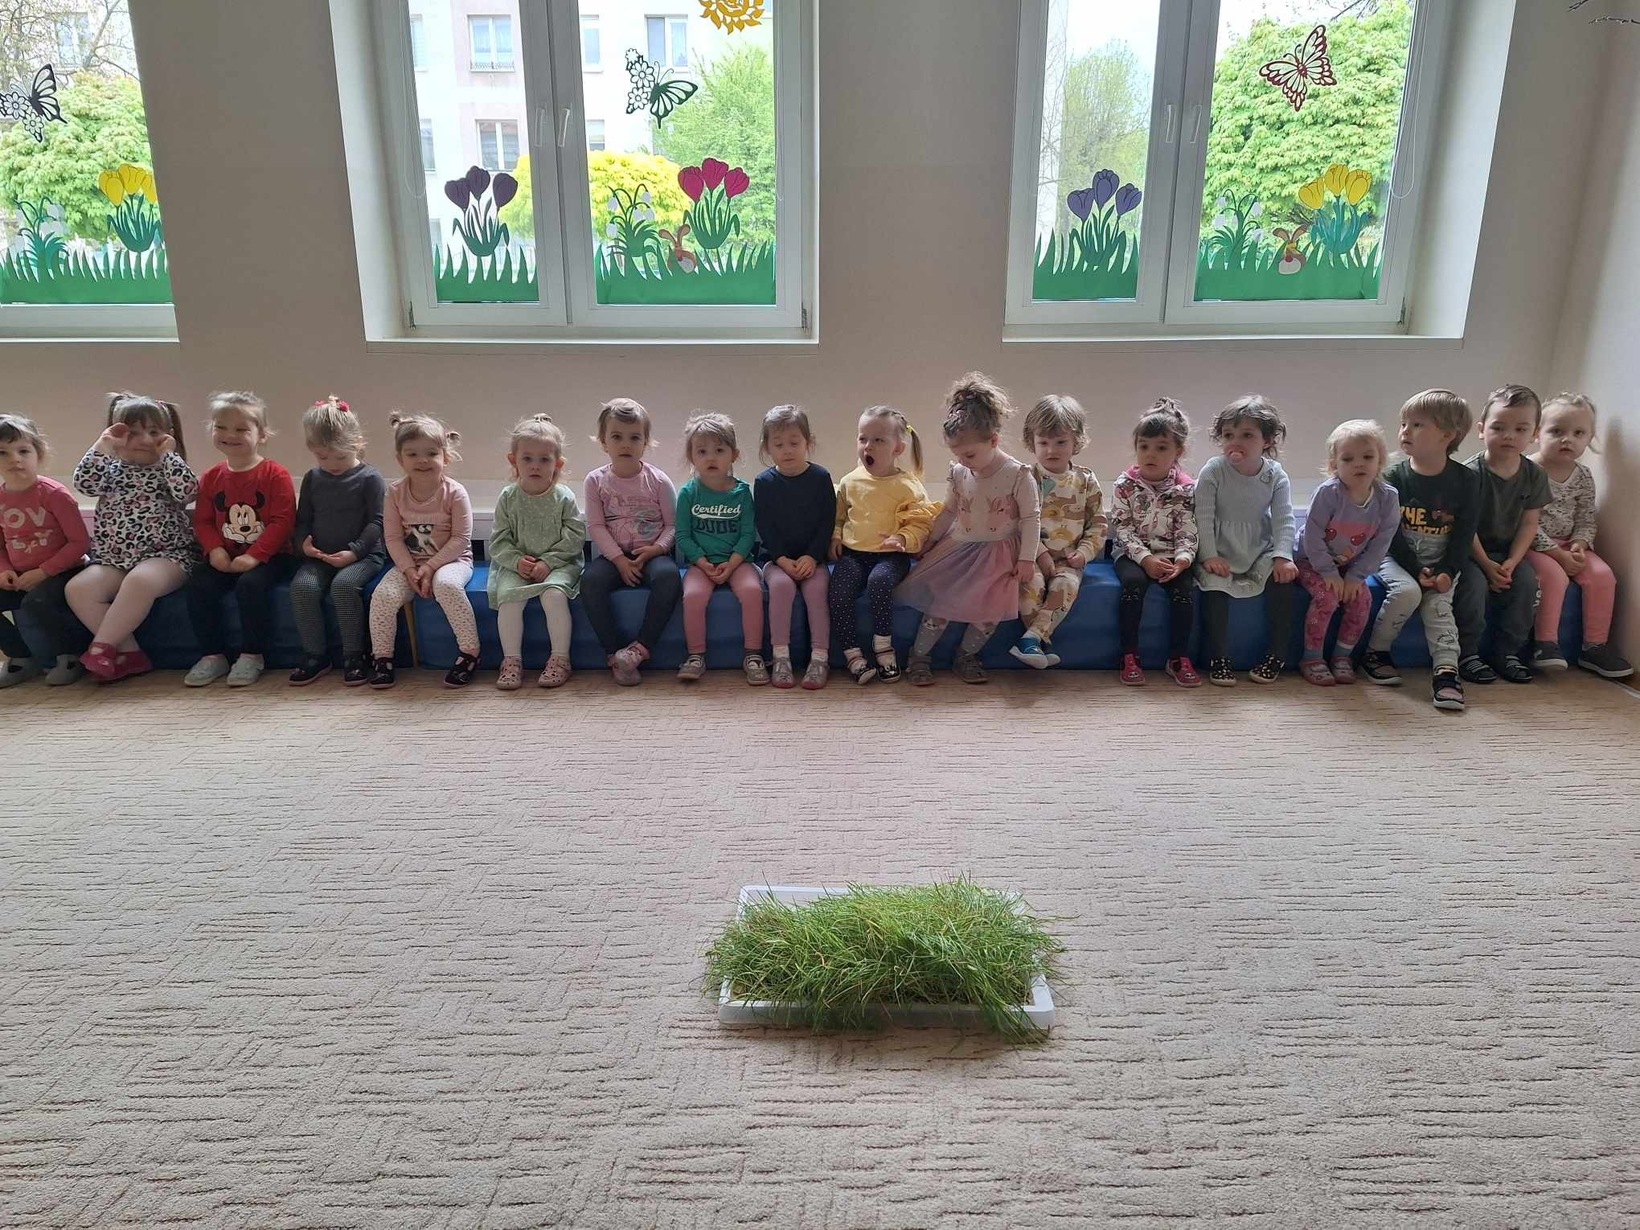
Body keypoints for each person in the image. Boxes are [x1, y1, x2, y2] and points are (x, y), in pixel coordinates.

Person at [896, 373, 1041, 686]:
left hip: (998, 555)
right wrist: (930, 540)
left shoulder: (1018, 474)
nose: (963, 461)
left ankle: (966, 656)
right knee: (939, 607)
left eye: (970, 454)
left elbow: (1031, 518)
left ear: (994, 440)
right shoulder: (960, 471)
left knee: (988, 615)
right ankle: (918, 657)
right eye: (957, 455)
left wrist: (1027, 558)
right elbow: (950, 509)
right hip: (959, 549)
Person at [66, 393, 199, 683]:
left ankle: (101, 647)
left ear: (167, 436)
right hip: (115, 560)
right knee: (78, 589)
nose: (144, 440)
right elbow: (84, 484)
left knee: (139, 581)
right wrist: (102, 446)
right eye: (133, 432)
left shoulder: (166, 469)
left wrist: (169, 455)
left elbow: (188, 492)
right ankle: (130, 653)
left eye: (153, 432)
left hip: (168, 557)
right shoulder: (110, 470)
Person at [1361, 389, 1480, 712]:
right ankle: (1376, 652)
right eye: (1404, 424)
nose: (1405, 431)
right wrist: (1416, 570)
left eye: (1417, 425)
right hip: (1395, 556)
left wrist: (1447, 571)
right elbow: (1389, 532)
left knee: (1439, 606)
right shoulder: (1393, 476)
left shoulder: (1467, 480)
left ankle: (1446, 671)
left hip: (1441, 558)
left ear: (1447, 435)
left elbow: (1464, 533)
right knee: (1407, 592)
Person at [184, 391, 297, 688]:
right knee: (198, 584)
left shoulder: (275, 474)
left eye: (241, 429)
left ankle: (251, 654)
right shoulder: (211, 477)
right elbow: (204, 521)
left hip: (272, 556)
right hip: (226, 555)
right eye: (221, 427)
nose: (229, 435)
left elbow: (282, 522)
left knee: (251, 585)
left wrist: (255, 555)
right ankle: (213, 655)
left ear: (262, 435)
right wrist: (215, 550)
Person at [367, 412, 478, 689]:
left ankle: (470, 652)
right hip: (410, 564)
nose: (422, 460)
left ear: (445, 457)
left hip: (452, 561)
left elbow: (461, 538)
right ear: (400, 459)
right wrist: (409, 569)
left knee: (446, 586)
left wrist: (430, 567)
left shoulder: (455, 493)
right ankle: (382, 658)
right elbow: (393, 538)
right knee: (383, 595)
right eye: (413, 454)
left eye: (431, 453)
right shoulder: (395, 493)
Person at [1525, 393, 1631, 679]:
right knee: (1554, 576)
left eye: (1578, 433)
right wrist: (1556, 554)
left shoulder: (1583, 475)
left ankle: (1595, 647)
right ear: (1537, 433)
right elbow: (1524, 522)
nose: (1567, 439)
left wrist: (1580, 544)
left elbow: (1586, 516)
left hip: (1569, 544)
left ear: (1589, 439)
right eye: (1556, 431)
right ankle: (1545, 643)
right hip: (1532, 544)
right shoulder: (1527, 470)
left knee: (1603, 575)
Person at [828, 406, 936, 684]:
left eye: (878, 440)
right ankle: (853, 655)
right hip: (854, 554)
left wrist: (903, 538)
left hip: (891, 557)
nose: (868, 446)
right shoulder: (850, 482)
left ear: (897, 448)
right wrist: (837, 536)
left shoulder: (907, 485)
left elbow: (921, 523)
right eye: (863, 438)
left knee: (879, 582)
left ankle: (884, 648)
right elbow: (839, 516)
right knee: (838, 592)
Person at [1194, 395, 1296, 685]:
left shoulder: (1275, 475)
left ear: (1267, 441)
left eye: (1247, 435)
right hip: (1220, 548)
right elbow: (1203, 517)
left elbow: (1283, 519)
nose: (1235, 442)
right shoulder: (1213, 471)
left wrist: (1283, 556)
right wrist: (1209, 555)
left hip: (1258, 547)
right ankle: (1218, 657)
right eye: (1228, 435)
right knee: (1214, 587)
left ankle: (1276, 654)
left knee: (1283, 582)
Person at [287, 395, 387, 686]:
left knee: (344, 587)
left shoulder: (370, 478)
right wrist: (303, 545)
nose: (332, 464)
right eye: (323, 457)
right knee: (302, 588)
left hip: (363, 556)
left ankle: (355, 655)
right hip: (320, 556)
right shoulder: (313, 478)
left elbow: (377, 522)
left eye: (340, 457)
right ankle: (315, 655)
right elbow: (303, 519)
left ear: (357, 444)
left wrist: (354, 553)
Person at [580, 398, 681, 686]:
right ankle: (615, 654)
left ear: (645, 442)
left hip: (652, 553)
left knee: (669, 577)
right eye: (617, 437)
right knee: (590, 582)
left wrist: (658, 549)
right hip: (614, 557)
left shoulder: (658, 480)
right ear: (603, 442)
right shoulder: (595, 481)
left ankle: (639, 649)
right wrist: (619, 560)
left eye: (634, 438)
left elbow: (673, 525)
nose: (626, 444)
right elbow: (596, 526)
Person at [1294, 420, 1400, 686]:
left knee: (1362, 599)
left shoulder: (1387, 498)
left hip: (1350, 564)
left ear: (1380, 460)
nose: (1358, 464)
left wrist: (1356, 576)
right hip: (1311, 560)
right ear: (1334, 465)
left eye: (1368, 457)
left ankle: (1342, 656)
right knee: (1327, 597)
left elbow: (1380, 544)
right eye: (1348, 459)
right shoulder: (1328, 493)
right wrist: (1329, 573)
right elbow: (1312, 537)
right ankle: (1312, 657)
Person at [1455, 383, 1548, 685]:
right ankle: (1467, 654)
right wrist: (1485, 564)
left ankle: (1507, 653)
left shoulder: (1534, 474)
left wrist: (1512, 562)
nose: (1509, 436)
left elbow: (1529, 524)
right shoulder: (1470, 474)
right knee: (1473, 587)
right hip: (1472, 553)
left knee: (1526, 583)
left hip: (1508, 553)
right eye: (1499, 427)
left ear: (1534, 434)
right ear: (1482, 430)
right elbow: (1465, 527)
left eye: (1521, 429)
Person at [487, 414, 586, 691]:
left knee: (554, 596)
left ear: (557, 464)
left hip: (559, 563)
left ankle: (560, 658)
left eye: (544, 459)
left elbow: (575, 536)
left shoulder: (563, 496)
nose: (535, 465)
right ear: (514, 461)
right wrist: (517, 561)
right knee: (509, 601)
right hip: (517, 564)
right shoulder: (508, 497)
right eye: (527, 458)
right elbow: (499, 541)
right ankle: (511, 660)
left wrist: (549, 561)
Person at [1109, 399, 1200, 688]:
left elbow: (1187, 527)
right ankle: (1129, 655)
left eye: (1161, 448)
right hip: (1132, 553)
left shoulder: (1186, 489)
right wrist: (1145, 559)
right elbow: (1122, 528)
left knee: (1184, 589)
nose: (1150, 454)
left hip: (1171, 554)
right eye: (1144, 446)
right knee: (1133, 584)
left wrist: (1184, 558)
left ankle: (1178, 657)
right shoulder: (1124, 485)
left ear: (1178, 452)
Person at [1011, 394, 1106, 669]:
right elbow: (1016, 520)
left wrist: (1084, 553)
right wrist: (1039, 553)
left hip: (1069, 558)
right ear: (1032, 441)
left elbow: (1098, 523)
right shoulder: (1025, 477)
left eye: (1061, 442)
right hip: (1032, 554)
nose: (1051, 450)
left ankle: (1031, 640)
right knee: (1031, 586)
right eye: (1043, 443)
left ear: (1076, 441)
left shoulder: (1086, 479)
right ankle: (1037, 644)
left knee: (1065, 586)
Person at [0, 414, 90, 687]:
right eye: (3, 453)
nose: (15, 459)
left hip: (64, 570)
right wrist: (4, 570)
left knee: (36, 602)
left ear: (38, 454)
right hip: (21, 573)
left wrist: (43, 572)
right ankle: (21, 657)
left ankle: (70, 657)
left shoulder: (53, 494)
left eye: (23, 451)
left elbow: (79, 542)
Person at [675, 412, 763, 684]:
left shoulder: (742, 492)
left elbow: (748, 534)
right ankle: (696, 656)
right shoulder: (688, 493)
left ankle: (753, 654)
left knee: (752, 591)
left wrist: (733, 562)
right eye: (702, 451)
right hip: (702, 564)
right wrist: (702, 562)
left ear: (734, 454)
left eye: (719, 450)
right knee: (693, 596)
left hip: (738, 561)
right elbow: (683, 536)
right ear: (692, 456)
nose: (710, 458)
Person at [753, 405, 833, 690]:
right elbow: (765, 527)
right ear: (767, 447)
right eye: (779, 445)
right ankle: (781, 657)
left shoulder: (821, 478)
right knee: (781, 587)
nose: (787, 450)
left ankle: (820, 658)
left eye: (794, 443)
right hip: (777, 560)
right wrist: (782, 559)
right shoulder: (764, 483)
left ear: (808, 442)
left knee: (816, 589)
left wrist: (812, 556)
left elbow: (826, 523)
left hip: (814, 559)